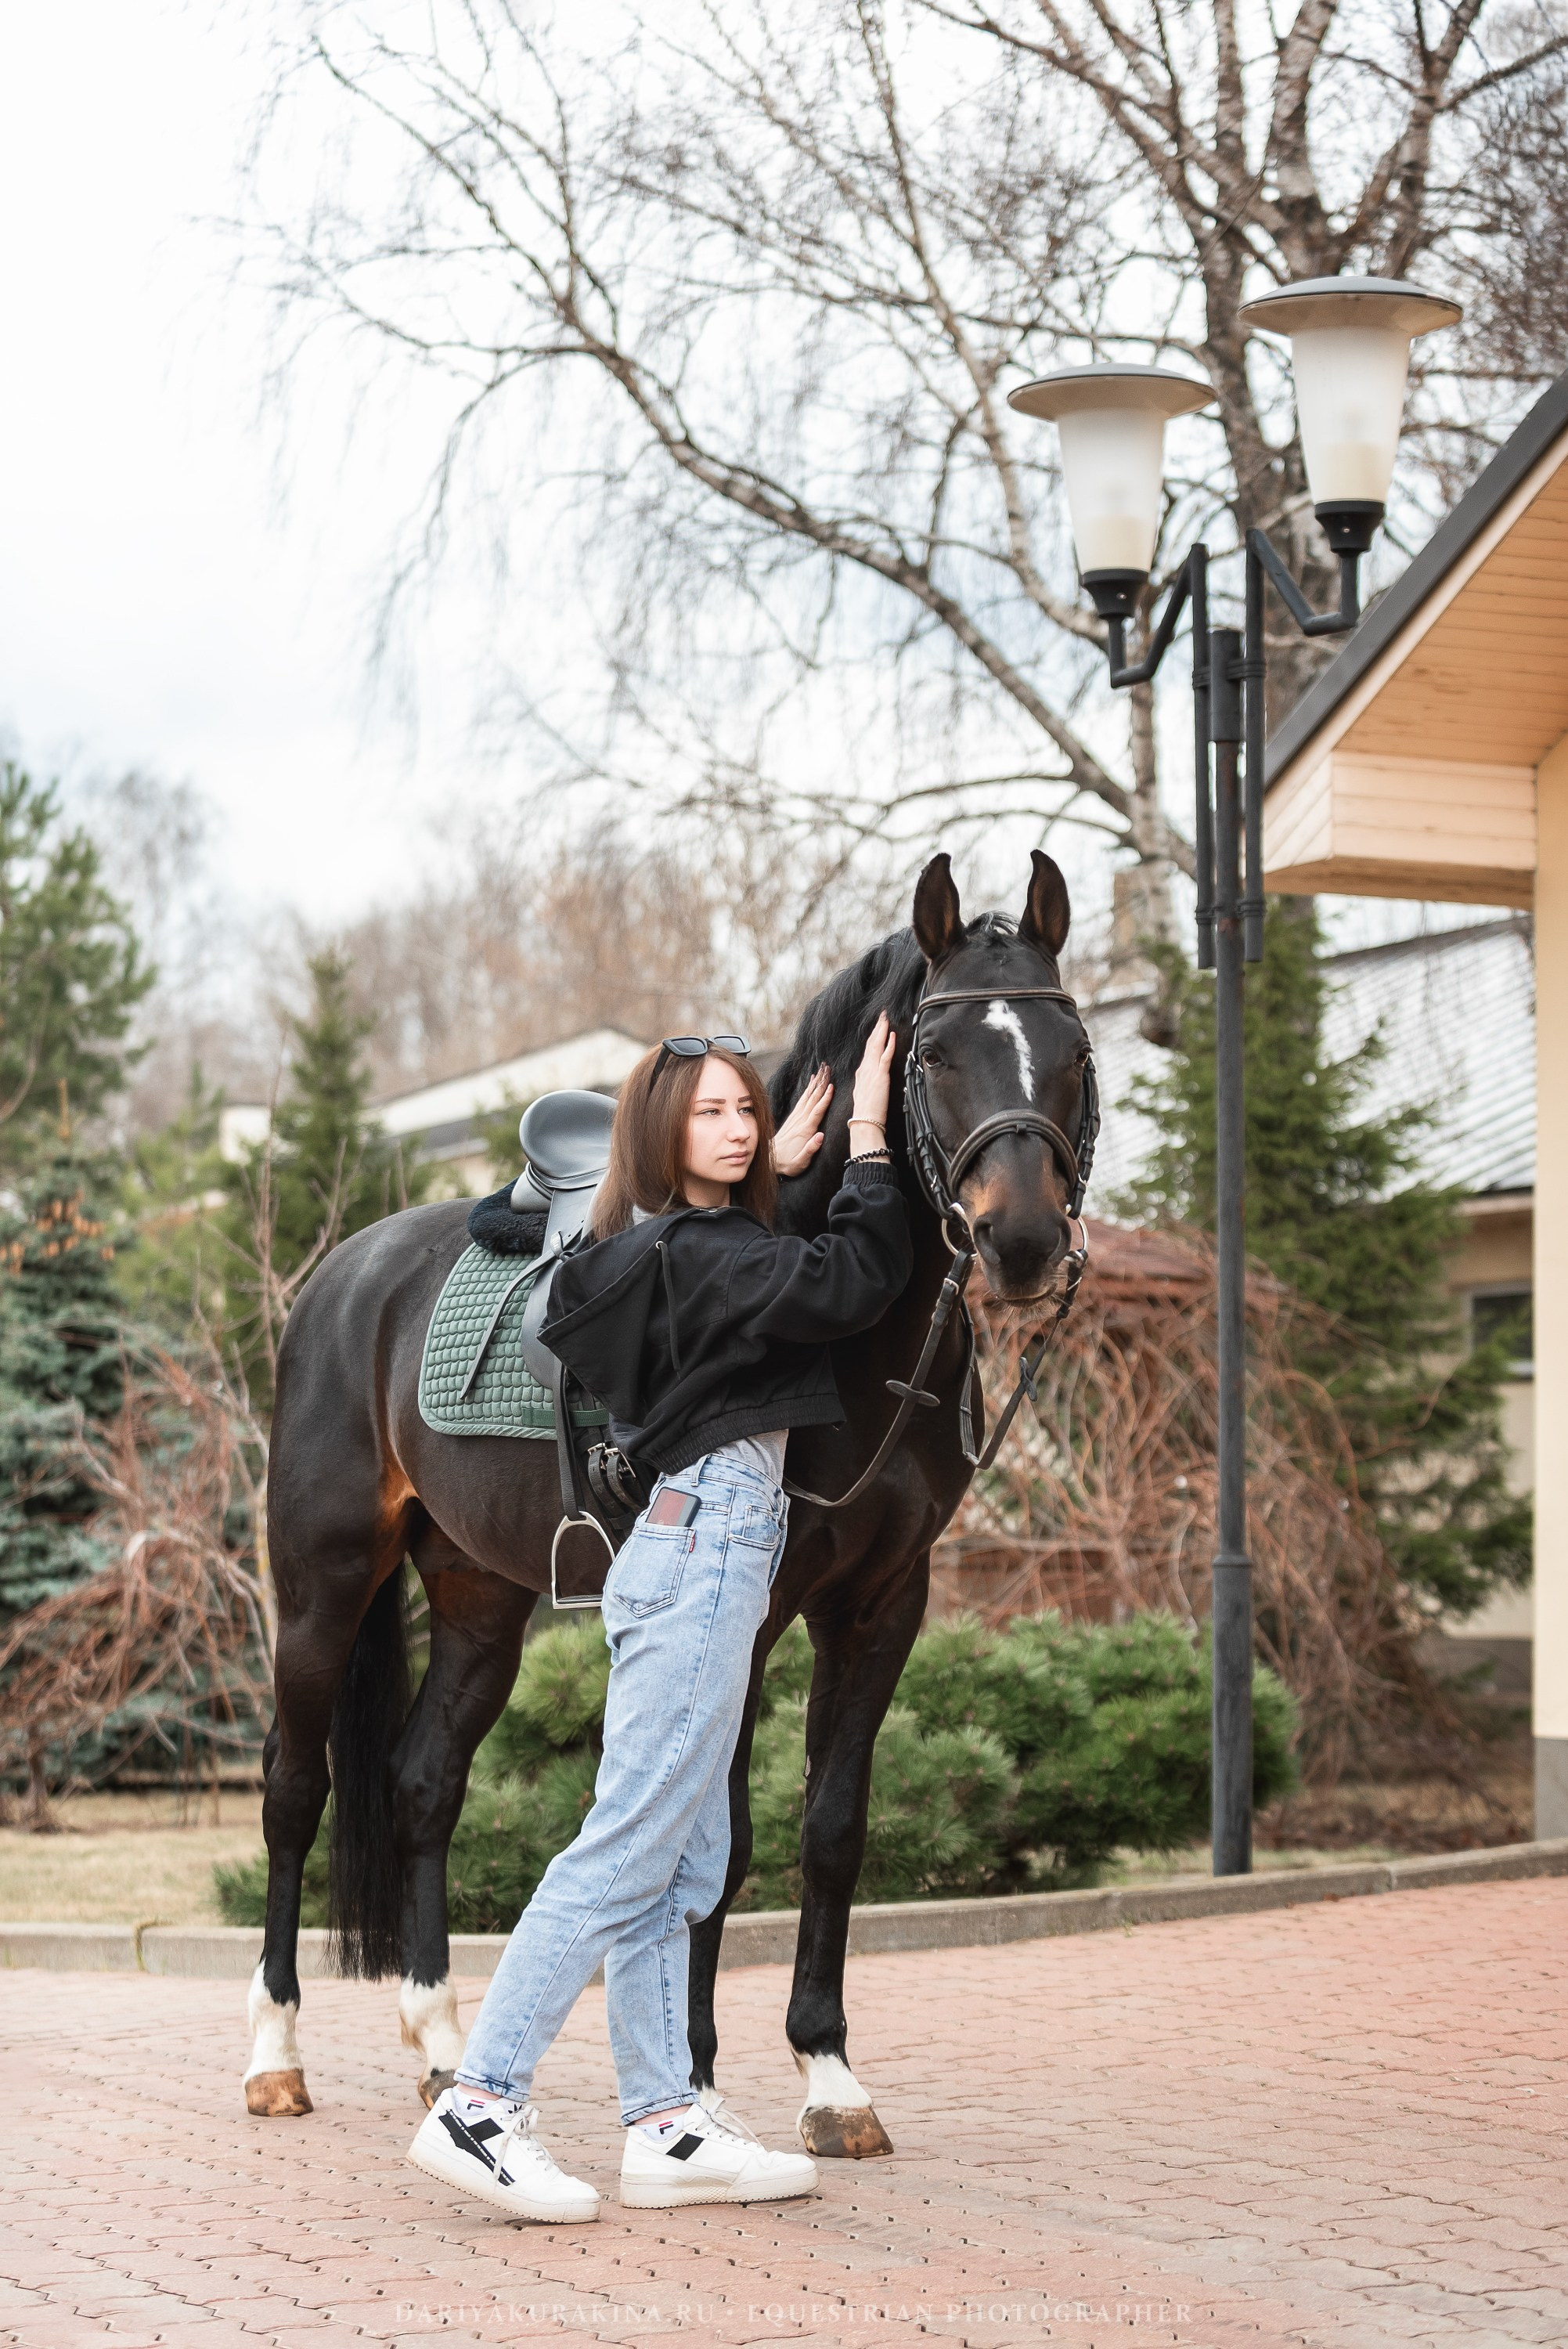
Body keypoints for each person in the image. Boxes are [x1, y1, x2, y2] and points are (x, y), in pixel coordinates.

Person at [407, 1014, 909, 2224]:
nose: (739, 1129)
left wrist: (776, 1168)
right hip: (709, 1551)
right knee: (628, 1847)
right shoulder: (708, 1259)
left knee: (681, 1859)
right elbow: (853, 1279)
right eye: (713, 1115)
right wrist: (873, 1136)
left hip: (695, 1550)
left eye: (749, 1109)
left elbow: (731, 1253)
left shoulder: (659, 1251)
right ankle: (479, 2103)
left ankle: (666, 2124)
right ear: (658, 1134)